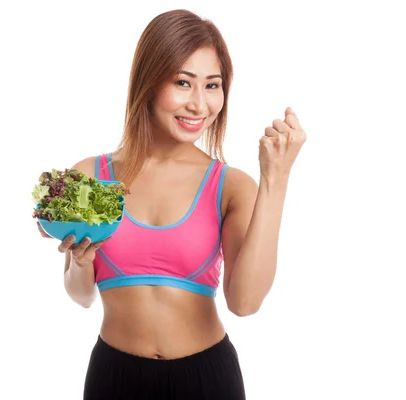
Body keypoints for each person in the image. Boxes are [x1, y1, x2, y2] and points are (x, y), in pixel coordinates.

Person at [36, 9, 306, 399]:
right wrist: (81, 261)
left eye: (212, 86)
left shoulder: (230, 186)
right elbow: (80, 296)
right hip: (113, 377)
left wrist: (275, 179)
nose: (198, 105)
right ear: (148, 81)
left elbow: (245, 303)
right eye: (183, 82)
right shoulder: (89, 177)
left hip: (208, 378)